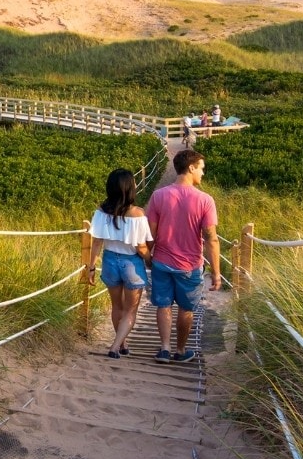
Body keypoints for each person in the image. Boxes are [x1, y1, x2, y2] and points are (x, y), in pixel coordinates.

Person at [144, 150, 221, 364]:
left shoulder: (158, 195)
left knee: (163, 305)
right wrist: (216, 273)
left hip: (161, 261)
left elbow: (151, 232)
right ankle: (180, 349)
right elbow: (211, 238)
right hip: (190, 265)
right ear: (191, 167)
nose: (203, 173)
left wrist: (148, 256)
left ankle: (165, 349)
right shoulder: (205, 200)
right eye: (202, 168)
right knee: (186, 308)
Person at [86, 169, 154, 359]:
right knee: (131, 310)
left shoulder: (100, 212)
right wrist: (150, 261)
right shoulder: (138, 214)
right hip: (131, 262)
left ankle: (122, 344)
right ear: (130, 188)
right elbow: (142, 247)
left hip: (109, 260)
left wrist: (91, 267)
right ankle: (116, 346)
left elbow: (97, 242)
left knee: (117, 306)